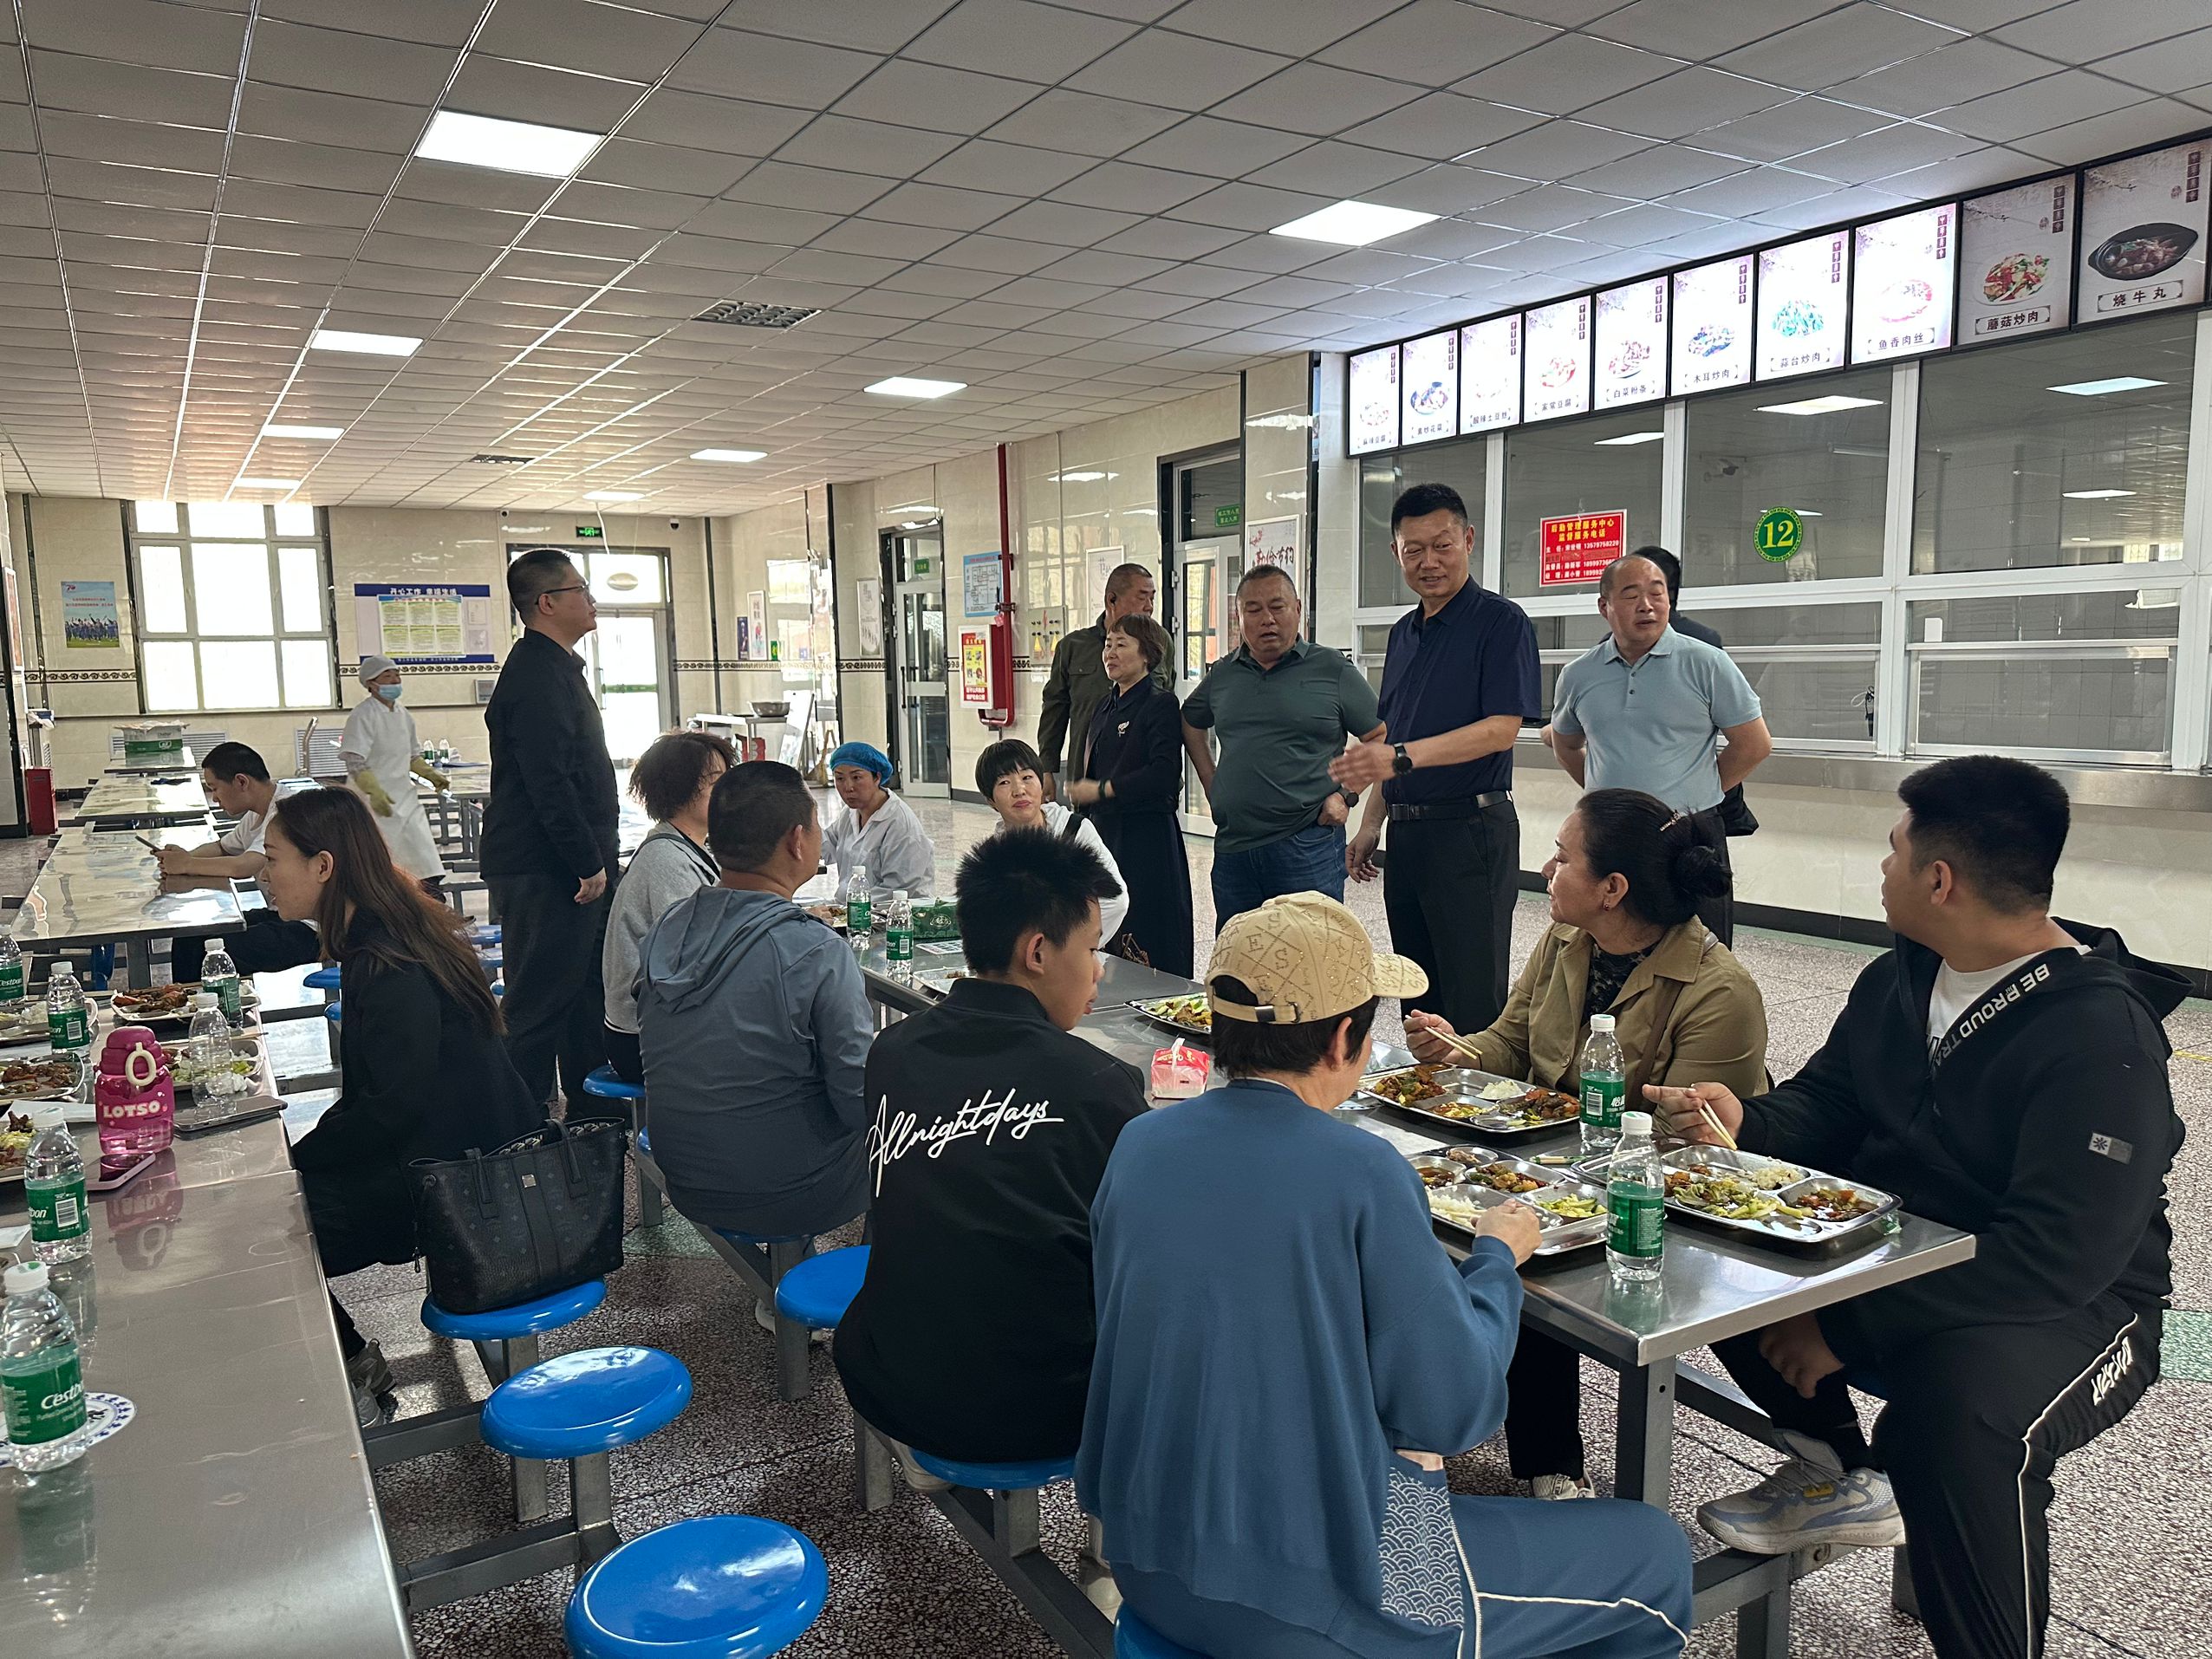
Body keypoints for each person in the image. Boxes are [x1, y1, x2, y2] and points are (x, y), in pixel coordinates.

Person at [1645, 756, 2184, 1659]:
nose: (1882, 866)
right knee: (1711, 1264)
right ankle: (1845, 1474)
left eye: (1893, 850)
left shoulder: (2099, 1036)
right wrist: (1746, 1120)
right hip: (1917, 1254)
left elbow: (2059, 1254)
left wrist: (1843, 1331)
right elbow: (1831, 1101)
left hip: (2079, 1304)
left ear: (1939, 880)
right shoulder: (1901, 979)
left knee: (1953, 1418)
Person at [1078, 892, 1692, 1659]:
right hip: (1316, 1595)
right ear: (1346, 1038)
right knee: (1654, 1555)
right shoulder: (1362, 1170)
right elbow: (1453, 1410)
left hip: (1146, 1561)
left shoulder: (1142, 1143)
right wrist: (1495, 1261)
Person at [1403, 789, 1766, 1499]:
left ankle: (1552, 1471)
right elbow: (1511, 1043)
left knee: (1523, 1253)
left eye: (1563, 857)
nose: (1547, 869)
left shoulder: (1718, 990)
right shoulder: (1567, 941)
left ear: (1612, 889)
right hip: (1555, 1172)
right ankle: (1519, 1445)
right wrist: (1455, 1049)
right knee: (1462, 1222)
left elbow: (1696, 1153)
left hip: (1650, 1204)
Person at [836, 826, 1143, 1473]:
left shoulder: (892, 1052)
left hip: (886, 1375)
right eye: (1092, 948)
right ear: (1038, 951)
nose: (1098, 970)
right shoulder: (1096, 1084)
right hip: (1043, 1408)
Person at [261, 787, 542, 1428]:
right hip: (457, 1156)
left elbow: (392, 1108)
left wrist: (293, 1163)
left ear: (323, 866)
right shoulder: (394, 927)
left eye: (273, 860)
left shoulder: (388, 961)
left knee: (269, 1236)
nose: (265, 876)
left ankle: (353, 1377)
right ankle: (353, 1361)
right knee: (279, 1204)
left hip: (459, 1186)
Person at [634, 761, 871, 1246]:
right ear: (797, 840)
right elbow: (858, 1101)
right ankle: (881, 1283)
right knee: (923, 1139)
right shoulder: (815, 949)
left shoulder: (669, 927)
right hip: (790, 1190)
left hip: (686, 1177)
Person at [1334, 482, 1540, 1034]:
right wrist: (1371, 824)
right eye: (1414, 550)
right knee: (1417, 993)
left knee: (1471, 997)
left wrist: (1398, 758)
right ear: (1396, 552)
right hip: (1409, 836)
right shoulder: (1403, 634)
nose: (1430, 562)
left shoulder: (1501, 622)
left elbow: (1501, 730)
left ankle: (1478, 1089)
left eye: (1442, 546)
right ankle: (1424, 1088)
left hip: (1471, 831)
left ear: (1468, 540)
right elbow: (1393, 739)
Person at [1548, 551, 1773, 946]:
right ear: (1604, 606)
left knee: (1699, 948)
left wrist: (1697, 791)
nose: (1647, 605)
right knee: (1608, 944)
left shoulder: (1707, 663)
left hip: (1689, 832)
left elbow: (1753, 744)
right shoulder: (1579, 675)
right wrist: (1608, 798)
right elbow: (1566, 743)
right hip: (1611, 835)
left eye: (1657, 593)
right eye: (1631, 594)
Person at [484, 549, 620, 1114]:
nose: (591, 600)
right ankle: (512, 1129)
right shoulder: (536, 677)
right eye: (580, 589)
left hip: (564, 865)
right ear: (546, 603)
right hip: (548, 869)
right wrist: (586, 861)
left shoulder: (555, 667)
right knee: (537, 1006)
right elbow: (550, 782)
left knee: (585, 996)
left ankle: (595, 1120)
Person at [1181, 565, 1383, 927]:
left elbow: (1380, 736)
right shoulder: (1224, 673)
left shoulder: (1331, 668)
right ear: (1239, 617)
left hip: (1307, 845)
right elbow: (1190, 720)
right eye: (1253, 609)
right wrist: (1212, 785)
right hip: (1234, 849)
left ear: (1298, 609)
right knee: (1240, 954)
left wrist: (1346, 795)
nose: (1267, 619)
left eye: (1277, 607)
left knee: (1312, 952)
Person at [601, 730, 732, 1085]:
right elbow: (694, 960)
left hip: (660, 1028)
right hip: (643, 1040)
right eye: (716, 782)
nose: (728, 792)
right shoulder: (667, 860)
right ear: (681, 788)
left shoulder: (682, 847)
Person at [1064, 613, 1193, 975]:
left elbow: (1164, 774)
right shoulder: (1105, 706)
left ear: (1147, 654)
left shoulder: (1159, 703)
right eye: (1108, 645)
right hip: (1105, 831)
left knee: (1149, 924)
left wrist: (1103, 789)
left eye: (1121, 645)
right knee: (1106, 918)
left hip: (1146, 835)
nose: (1111, 653)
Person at [159, 741, 322, 984]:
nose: (214, 798)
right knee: (190, 935)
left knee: (211, 952)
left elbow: (243, 866)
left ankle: (206, 1005)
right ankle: (183, 1002)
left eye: (215, 788)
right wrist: (182, 857)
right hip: (281, 914)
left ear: (241, 782)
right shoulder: (257, 812)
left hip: (310, 927)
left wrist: (186, 865)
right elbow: (222, 847)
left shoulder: (284, 812)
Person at [1637, 546, 1757, 839]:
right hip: (1686, 806)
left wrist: (1704, 791)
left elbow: (1753, 742)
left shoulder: (1703, 649)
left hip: (1648, 806)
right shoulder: (1706, 640)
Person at [975, 739, 1129, 946]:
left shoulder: (1073, 831)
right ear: (991, 801)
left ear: (1041, 784)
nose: (1019, 790)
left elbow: (1115, 901)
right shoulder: (992, 854)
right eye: (1004, 782)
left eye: (1027, 777)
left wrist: (1070, 951)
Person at [1036, 561, 1167, 798]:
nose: (1149, 607)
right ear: (1111, 600)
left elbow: (1164, 702)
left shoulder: (1160, 641)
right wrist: (1046, 768)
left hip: (1140, 780)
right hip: (1087, 778)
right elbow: (1054, 710)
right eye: (1142, 597)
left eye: (1152, 598)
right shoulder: (1073, 647)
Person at [339, 653, 449, 891]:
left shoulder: (403, 714)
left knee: (425, 856)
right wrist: (374, 791)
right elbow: (354, 759)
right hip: (373, 801)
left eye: (397, 675)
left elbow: (412, 756)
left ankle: (434, 903)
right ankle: (399, 904)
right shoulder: (363, 715)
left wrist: (431, 774)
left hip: (405, 797)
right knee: (388, 860)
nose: (395, 680)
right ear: (371, 683)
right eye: (387, 676)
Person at [821, 740, 935, 906]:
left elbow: (895, 891)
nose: (848, 787)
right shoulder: (850, 814)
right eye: (840, 778)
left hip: (894, 914)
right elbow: (826, 845)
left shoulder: (900, 824)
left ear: (877, 778)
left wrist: (850, 909)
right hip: (853, 908)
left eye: (856, 777)